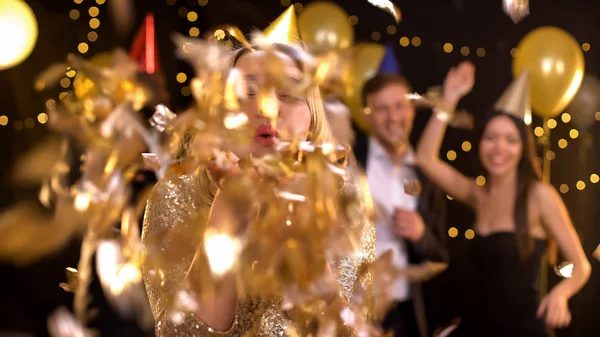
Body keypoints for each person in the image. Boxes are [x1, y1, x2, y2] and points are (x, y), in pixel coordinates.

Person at [141, 12, 375, 337]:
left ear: (312, 121)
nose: (267, 109)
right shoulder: (176, 194)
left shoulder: (347, 206)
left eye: (288, 93)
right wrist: (228, 212)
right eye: (247, 94)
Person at [416, 61, 591, 337]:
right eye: (491, 138)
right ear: (480, 143)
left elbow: (581, 266)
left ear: (523, 148)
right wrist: (449, 99)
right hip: (478, 329)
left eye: (511, 140)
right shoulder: (478, 193)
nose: (499, 148)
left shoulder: (539, 196)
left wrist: (561, 294)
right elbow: (425, 159)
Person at [354, 71, 450, 337]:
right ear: (368, 115)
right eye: (382, 109)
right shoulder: (349, 162)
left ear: (412, 110)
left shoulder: (427, 173)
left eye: (399, 106)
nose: (393, 117)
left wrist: (421, 235)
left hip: (408, 316)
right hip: (355, 312)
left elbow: (441, 254)